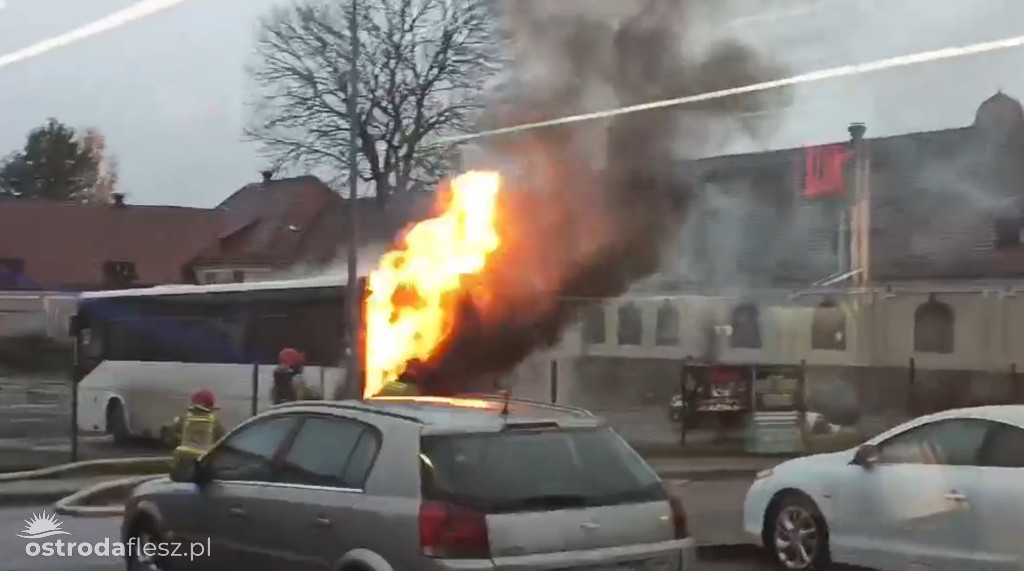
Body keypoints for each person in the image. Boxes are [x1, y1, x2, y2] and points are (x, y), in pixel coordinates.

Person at [171, 389, 224, 464]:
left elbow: (175, 430)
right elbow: (220, 438)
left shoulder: (186, 417)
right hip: (202, 456)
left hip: (183, 453)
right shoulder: (214, 420)